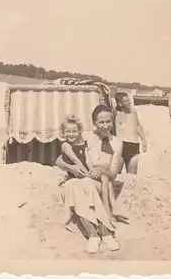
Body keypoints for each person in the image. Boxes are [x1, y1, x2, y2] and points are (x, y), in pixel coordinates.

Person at [56, 104, 125, 254]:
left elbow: (113, 173)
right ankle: (94, 235)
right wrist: (72, 168)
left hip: (101, 181)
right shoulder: (84, 136)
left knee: (83, 185)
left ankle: (104, 233)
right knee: (73, 185)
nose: (105, 126)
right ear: (94, 123)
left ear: (113, 121)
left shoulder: (117, 143)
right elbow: (59, 160)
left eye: (108, 121)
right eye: (101, 122)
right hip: (82, 177)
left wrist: (100, 170)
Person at [59, 114, 116, 222]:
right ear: (63, 132)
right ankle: (106, 210)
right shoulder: (66, 146)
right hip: (78, 174)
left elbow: (87, 160)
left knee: (105, 179)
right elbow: (76, 160)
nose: (71, 134)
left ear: (79, 131)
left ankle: (107, 207)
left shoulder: (83, 144)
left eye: (74, 131)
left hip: (86, 171)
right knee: (102, 180)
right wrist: (87, 173)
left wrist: (92, 170)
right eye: (68, 132)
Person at [113, 92, 148, 174]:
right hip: (120, 146)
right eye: (126, 101)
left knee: (132, 177)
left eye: (129, 100)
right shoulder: (114, 113)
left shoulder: (133, 111)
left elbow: (138, 126)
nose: (129, 102)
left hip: (133, 146)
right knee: (115, 175)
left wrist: (144, 140)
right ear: (119, 103)